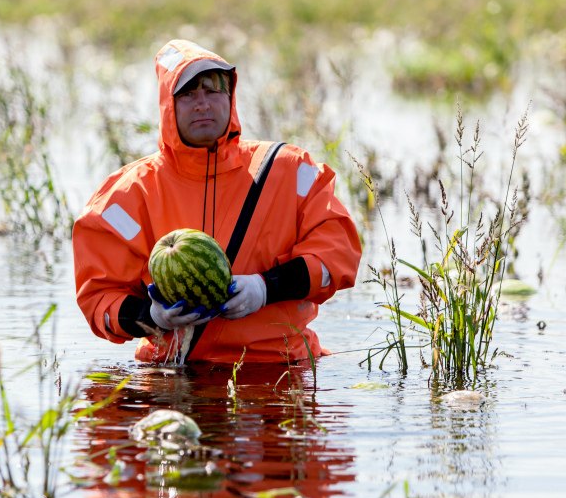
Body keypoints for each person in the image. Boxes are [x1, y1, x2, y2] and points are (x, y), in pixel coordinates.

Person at [72, 39, 361, 364]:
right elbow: (98, 298)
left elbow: (340, 255)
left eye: (213, 91)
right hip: (174, 374)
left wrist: (266, 288)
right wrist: (153, 317)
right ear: (168, 105)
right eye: (188, 94)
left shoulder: (289, 170)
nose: (202, 104)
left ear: (230, 97)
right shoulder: (126, 195)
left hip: (280, 368)